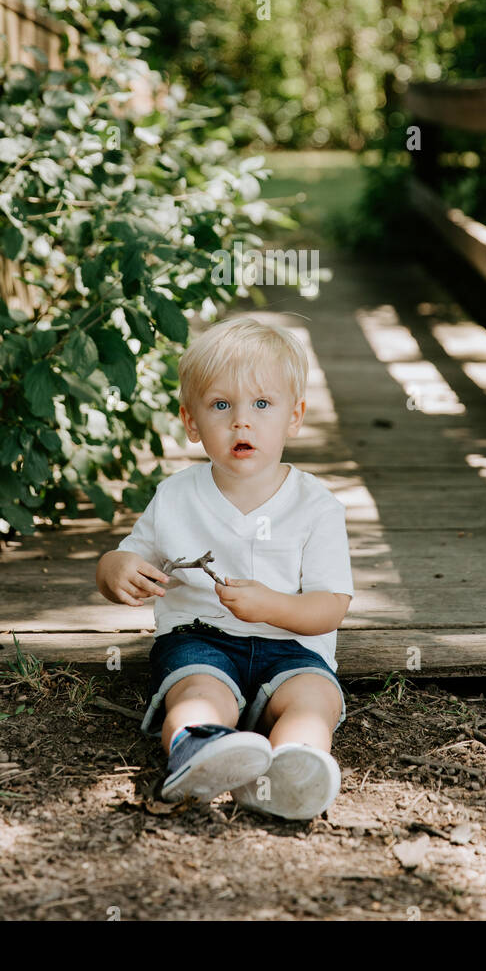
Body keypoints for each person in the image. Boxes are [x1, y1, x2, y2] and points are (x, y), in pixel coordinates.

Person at [95, 315, 354, 821]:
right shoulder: (176, 496)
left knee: (313, 699)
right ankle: (198, 749)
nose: (242, 421)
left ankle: (294, 767)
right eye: (221, 405)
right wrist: (115, 568)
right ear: (191, 422)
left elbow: (330, 608)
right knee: (198, 692)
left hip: (294, 650)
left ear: (294, 417)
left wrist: (271, 606)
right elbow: (127, 558)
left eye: (262, 404)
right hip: (201, 641)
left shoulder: (317, 506)